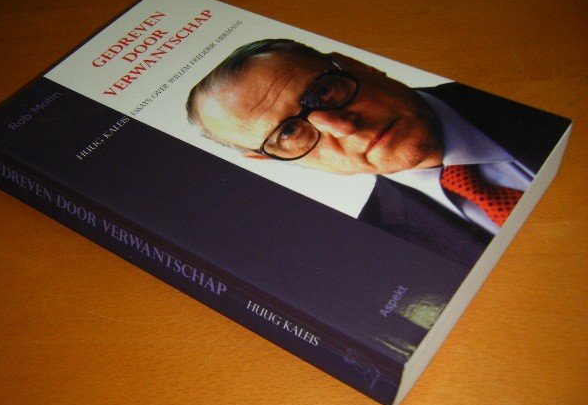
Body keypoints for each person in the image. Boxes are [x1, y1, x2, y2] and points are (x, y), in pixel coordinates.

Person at [186, 39, 569, 267]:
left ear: (360, 67)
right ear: (270, 161)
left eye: (323, 92)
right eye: (288, 132)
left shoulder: (535, 77)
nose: (344, 126)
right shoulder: (382, 254)